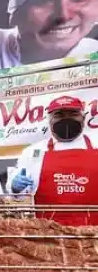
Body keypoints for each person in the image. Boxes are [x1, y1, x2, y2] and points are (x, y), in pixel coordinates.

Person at [9, 95, 98, 225]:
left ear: (83, 117)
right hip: (49, 236)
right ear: (49, 120)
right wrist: (15, 187)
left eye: (73, 114)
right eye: (59, 115)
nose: (66, 119)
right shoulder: (34, 152)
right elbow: (19, 195)